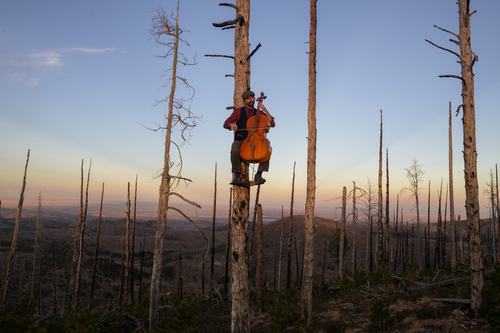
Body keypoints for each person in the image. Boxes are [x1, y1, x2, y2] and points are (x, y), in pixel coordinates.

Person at [223, 90, 275, 185]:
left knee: (267, 150)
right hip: (242, 139)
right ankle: (237, 175)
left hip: (257, 139)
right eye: (248, 99)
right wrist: (231, 125)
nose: (250, 100)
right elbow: (226, 123)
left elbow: (272, 123)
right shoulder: (239, 111)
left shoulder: (259, 112)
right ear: (244, 101)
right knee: (234, 150)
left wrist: (264, 109)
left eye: (252, 98)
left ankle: (258, 175)